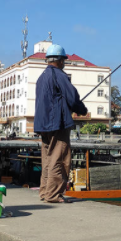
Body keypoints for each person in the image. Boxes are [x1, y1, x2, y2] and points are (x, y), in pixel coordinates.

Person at [34, 44, 88, 203]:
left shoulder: (41, 77)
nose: (64, 63)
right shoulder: (60, 75)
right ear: (59, 60)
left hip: (43, 125)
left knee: (47, 159)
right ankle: (53, 195)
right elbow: (72, 97)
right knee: (60, 158)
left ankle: (45, 192)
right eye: (64, 60)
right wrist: (81, 109)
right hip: (58, 123)